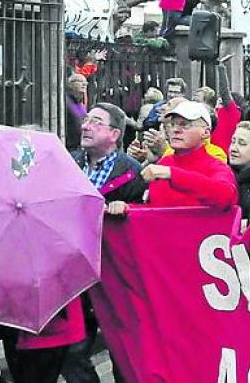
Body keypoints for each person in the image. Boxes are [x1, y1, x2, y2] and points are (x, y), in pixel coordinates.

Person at [63, 104, 145, 383]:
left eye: (96, 122)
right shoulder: (68, 164)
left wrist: (126, 211)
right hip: (74, 274)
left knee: (122, 353)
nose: (85, 125)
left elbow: (143, 225)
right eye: (85, 120)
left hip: (116, 276)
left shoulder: (133, 173)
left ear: (114, 134)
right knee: (72, 352)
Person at [122, 100, 236, 210]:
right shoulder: (164, 163)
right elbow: (155, 210)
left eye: (185, 125)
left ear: (206, 133)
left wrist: (172, 174)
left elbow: (226, 195)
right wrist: (126, 208)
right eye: (172, 124)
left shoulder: (216, 165)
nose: (176, 130)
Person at [64, 73, 87, 152]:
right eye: (80, 81)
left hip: (79, 147)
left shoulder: (80, 103)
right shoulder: (65, 101)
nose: (84, 84)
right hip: (68, 147)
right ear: (70, 84)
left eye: (85, 82)